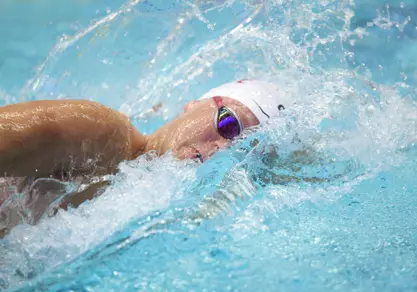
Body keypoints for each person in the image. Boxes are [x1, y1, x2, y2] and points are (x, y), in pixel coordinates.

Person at [0, 79, 292, 236]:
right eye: (229, 125)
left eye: (242, 150)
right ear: (195, 104)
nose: (223, 149)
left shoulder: (152, 213)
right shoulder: (100, 133)